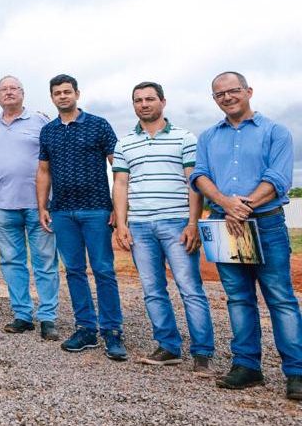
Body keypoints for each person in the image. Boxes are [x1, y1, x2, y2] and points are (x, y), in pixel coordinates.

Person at [190, 72, 301, 400]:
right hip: (225, 225)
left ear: (248, 91)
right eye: (219, 94)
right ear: (215, 99)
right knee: (238, 298)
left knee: (280, 298)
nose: (227, 97)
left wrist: (245, 206)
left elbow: (278, 178)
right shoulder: (208, 137)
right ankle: (247, 366)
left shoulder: (276, 132)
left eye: (233, 91)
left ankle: (296, 371)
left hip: (266, 224)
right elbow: (200, 175)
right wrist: (225, 204)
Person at [112, 81, 214, 374]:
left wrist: (193, 223)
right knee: (153, 290)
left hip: (177, 222)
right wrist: (122, 224)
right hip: (141, 225)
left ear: (163, 102)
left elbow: (193, 183)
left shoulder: (184, 138)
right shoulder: (125, 143)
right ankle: (168, 346)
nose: (144, 104)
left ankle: (202, 353)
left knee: (190, 288)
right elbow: (120, 184)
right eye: (138, 100)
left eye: (149, 99)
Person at [36, 74, 126, 360]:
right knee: (74, 270)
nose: (62, 96)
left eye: (67, 91)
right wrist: (42, 207)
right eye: (57, 93)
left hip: (96, 209)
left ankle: (112, 331)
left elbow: (119, 168)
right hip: (62, 210)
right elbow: (43, 171)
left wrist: (118, 207)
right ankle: (85, 327)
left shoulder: (98, 125)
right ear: (51, 97)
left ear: (77, 93)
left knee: (102, 269)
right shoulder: (48, 131)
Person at [0, 76, 59, 340]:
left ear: (23, 93)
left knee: (45, 262)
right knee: (12, 262)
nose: (8, 92)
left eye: (13, 88)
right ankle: (22, 315)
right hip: (3, 205)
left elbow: (53, 157)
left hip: (38, 205)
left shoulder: (40, 121)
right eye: (3, 89)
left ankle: (48, 317)